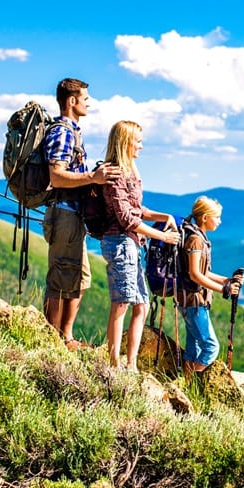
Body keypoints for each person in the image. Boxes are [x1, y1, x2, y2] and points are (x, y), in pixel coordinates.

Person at [43, 77, 121, 349]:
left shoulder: (73, 131)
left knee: (79, 277)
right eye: (85, 99)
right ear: (72, 101)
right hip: (63, 212)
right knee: (61, 275)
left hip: (74, 215)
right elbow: (56, 176)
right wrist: (93, 177)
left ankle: (65, 336)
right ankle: (52, 337)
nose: (88, 103)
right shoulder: (62, 132)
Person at [101, 120, 180, 371]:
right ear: (125, 142)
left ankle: (131, 363)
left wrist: (162, 217)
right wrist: (162, 237)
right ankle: (114, 363)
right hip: (120, 243)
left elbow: (136, 209)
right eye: (138, 141)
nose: (141, 146)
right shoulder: (114, 173)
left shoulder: (130, 172)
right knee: (122, 302)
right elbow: (127, 218)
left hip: (132, 244)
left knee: (141, 305)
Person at [177, 196, 244, 376]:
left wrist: (227, 281)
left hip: (191, 300)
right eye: (217, 217)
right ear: (205, 217)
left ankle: (187, 385)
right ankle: (193, 384)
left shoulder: (198, 238)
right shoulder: (196, 240)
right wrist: (224, 289)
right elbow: (195, 274)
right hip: (194, 300)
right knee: (211, 347)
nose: (220, 221)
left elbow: (203, 272)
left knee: (194, 348)